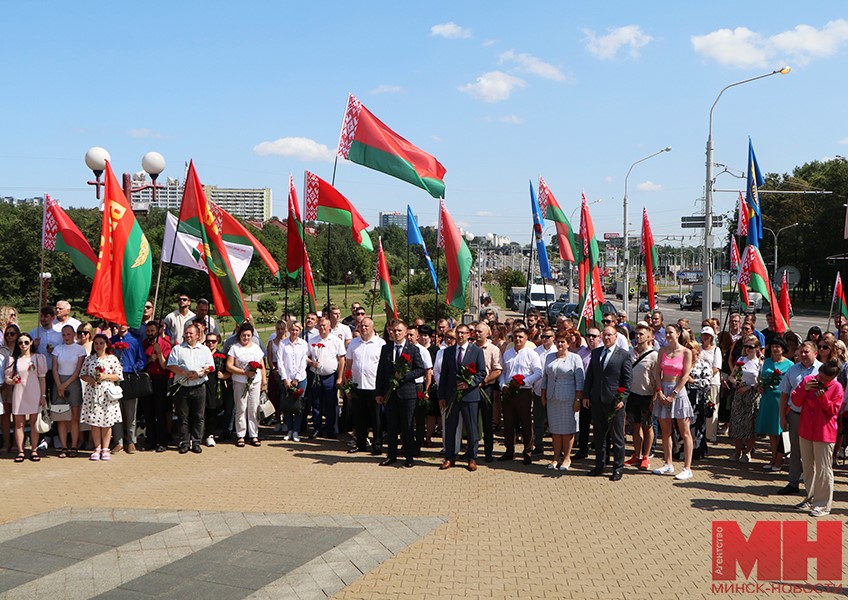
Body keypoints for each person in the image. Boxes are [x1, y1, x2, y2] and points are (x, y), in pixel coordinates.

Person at [792, 361, 844, 517]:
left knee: (823, 469)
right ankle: (810, 497)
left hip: (824, 433)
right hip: (806, 431)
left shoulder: (837, 388)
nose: (820, 380)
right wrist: (803, 389)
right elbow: (795, 401)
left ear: (832, 378)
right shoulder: (809, 380)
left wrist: (823, 399)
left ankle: (823, 505)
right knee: (808, 467)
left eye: (824, 378)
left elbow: (833, 411)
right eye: (820, 375)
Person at [583, 325, 632, 481]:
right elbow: (590, 376)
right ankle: (600, 465)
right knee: (599, 436)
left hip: (614, 402)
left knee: (617, 438)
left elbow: (627, 380)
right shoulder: (596, 352)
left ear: (616, 336)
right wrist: (586, 395)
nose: (606, 338)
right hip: (597, 400)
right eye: (604, 335)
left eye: (609, 335)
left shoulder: (623, 355)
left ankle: (618, 468)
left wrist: (622, 399)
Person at [375, 320, 426, 468]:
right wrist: (379, 392)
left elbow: (420, 369)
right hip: (390, 394)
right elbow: (381, 372)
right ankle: (391, 455)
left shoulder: (413, 349)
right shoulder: (386, 348)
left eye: (399, 331)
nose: (396, 333)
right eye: (394, 330)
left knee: (407, 426)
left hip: (407, 393)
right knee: (391, 426)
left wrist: (404, 376)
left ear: (405, 333)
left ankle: (409, 456)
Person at [438, 324, 487, 471]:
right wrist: (441, 396)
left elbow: (482, 372)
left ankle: (472, 458)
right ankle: (449, 457)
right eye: (458, 333)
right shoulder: (448, 351)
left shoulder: (476, 351)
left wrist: (469, 383)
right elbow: (444, 376)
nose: (460, 336)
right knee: (450, 427)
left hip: (470, 395)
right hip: (451, 395)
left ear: (468, 335)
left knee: (472, 428)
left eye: (463, 333)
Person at [652, 323, 695, 480]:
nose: (668, 335)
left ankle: (687, 467)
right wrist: (659, 391)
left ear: (678, 334)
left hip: (678, 393)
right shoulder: (662, 351)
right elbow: (657, 373)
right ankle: (668, 463)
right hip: (663, 391)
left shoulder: (686, 352)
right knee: (665, 431)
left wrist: (674, 393)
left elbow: (685, 375)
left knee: (685, 432)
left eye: (671, 332)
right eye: (667, 333)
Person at [167, 323, 215, 454]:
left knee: (198, 416)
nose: (188, 335)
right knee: (183, 416)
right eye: (186, 333)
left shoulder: (204, 350)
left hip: (199, 387)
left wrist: (200, 373)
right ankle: (184, 442)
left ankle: (196, 441)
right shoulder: (177, 349)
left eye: (191, 333)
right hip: (182, 387)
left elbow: (211, 366)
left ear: (198, 335)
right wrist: (184, 373)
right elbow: (171, 365)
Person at [540, 331, 584, 471]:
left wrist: (578, 399)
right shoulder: (549, 357)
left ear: (568, 344)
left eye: (563, 342)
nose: (559, 344)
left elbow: (580, 381)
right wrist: (543, 394)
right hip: (552, 399)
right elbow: (545, 378)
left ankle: (566, 458)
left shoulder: (575, 358)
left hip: (568, 398)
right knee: (555, 430)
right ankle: (555, 457)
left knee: (567, 430)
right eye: (558, 341)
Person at [499, 327, 543, 465]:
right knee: (508, 422)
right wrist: (502, 386)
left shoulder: (532, 354)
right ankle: (509, 450)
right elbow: (502, 372)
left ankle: (528, 451)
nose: (518, 339)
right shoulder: (507, 354)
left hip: (524, 391)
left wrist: (525, 381)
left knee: (525, 422)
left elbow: (538, 372)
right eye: (515, 337)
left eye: (521, 337)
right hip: (508, 392)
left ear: (526, 338)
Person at [78, 334, 124, 461]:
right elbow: (82, 374)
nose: (98, 346)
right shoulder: (89, 359)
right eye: (96, 343)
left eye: (101, 343)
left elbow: (119, 375)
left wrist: (105, 376)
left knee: (106, 422)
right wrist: (91, 380)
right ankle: (97, 447)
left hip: (106, 393)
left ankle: (105, 448)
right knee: (95, 421)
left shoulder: (112, 358)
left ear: (106, 344)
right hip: (93, 393)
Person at [5, 333, 47, 462]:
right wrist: (12, 381)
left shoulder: (38, 358)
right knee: (19, 423)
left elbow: (42, 378)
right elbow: (7, 378)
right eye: (20, 342)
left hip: (34, 392)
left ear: (31, 343)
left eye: (26, 342)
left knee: (34, 422)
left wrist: (43, 395)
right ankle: (21, 451)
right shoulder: (13, 359)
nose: (23, 345)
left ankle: (34, 450)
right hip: (19, 392)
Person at [344, 317, 385, 454]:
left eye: (366, 326)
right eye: (361, 326)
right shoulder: (353, 343)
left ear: (372, 328)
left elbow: (383, 367)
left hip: (373, 387)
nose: (364, 328)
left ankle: (377, 444)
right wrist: (347, 385)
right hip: (357, 386)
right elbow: (348, 364)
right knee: (359, 418)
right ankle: (361, 444)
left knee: (376, 419)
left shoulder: (380, 343)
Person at [227, 322, 267, 448]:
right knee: (241, 408)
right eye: (244, 335)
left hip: (255, 382)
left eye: (248, 335)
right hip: (240, 381)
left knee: (253, 408)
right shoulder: (235, 348)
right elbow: (229, 366)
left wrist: (264, 382)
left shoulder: (256, 347)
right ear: (240, 335)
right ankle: (241, 435)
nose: (246, 338)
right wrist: (244, 372)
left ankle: (254, 434)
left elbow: (262, 365)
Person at [755, 338, 793, 471]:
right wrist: (760, 386)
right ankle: (773, 457)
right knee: (771, 431)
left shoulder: (789, 364)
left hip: (780, 399)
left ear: (783, 349)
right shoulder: (766, 362)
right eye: (773, 346)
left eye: (778, 346)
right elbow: (761, 378)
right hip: (767, 398)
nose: (775, 349)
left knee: (780, 430)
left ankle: (779, 459)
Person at [625, 322, 657, 471]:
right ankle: (636, 454)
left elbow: (657, 379)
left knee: (647, 426)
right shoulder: (630, 353)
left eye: (641, 334)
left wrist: (654, 398)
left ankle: (646, 455)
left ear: (649, 337)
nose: (638, 337)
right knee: (635, 426)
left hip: (647, 395)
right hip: (632, 395)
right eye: (636, 334)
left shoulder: (654, 355)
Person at [306, 317, 346, 439]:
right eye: (320, 325)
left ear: (329, 327)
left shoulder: (336, 341)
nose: (322, 327)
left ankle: (330, 429)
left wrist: (340, 377)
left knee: (330, 403)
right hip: (315, 375)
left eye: (324, 325)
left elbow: (342, 359)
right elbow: (306, 356)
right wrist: (311, 363)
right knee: (316, 403)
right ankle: (317, 428)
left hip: (330, 376)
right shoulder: (312, 341)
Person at [109, 323, 146, 454]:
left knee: (131, 412)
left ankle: (131, 441)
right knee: (116, 411)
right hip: (114, 379)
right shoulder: (112, 341)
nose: (121, 326)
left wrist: (132, 369)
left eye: (124, 324)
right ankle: (118, 441)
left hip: (129, 378)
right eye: (118, 324)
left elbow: (141, 360)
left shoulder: (135, 341)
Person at [51, 324, 86, 458]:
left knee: (74, 417)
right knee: (61, 417)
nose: (66, 337)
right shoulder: (58, 349)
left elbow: (78, 370)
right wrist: (59, 384)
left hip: (73, 383)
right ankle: (63, 446)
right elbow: (54, 367)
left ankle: (74, 445)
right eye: (64, 335)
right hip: (58, 382)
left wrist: (65, 384)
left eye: (68, 334)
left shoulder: (80, 349)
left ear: (74, 334)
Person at [728, 334, 763, 463]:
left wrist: (749, 387)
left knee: (750, 426)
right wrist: (736, 383)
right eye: (746, 346)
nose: (748, 349)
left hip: (752, 396)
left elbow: (760, 382)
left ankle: (748, 451)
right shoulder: (741, 359)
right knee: (737, 423)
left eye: (751, 346)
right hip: (739, 394)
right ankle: (737, 450)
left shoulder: (760, 363)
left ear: (757, 348)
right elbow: (732, 376)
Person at [141, 320, 173, 452]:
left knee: (160, 412)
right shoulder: (143, 344)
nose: (149, 334)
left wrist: (159, 353)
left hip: (161, 380)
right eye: (148, 331)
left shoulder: (165, 344)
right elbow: (142, 362)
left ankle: (162, 441)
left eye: (152, 331)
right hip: (147, 380)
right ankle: (150, 440)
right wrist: (150, 359)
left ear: (158, 331)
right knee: (148, 411)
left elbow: (165, 366)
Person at [474, 322, 502, 463]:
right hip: (471, 388)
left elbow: (497, 370)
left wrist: (483, 381)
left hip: (486, 388)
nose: (477, 333)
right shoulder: (470, 348)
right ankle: (471, 452)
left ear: (487, 333)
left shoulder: (493, 349)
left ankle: (488, 453)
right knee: (472, 422)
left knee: (486, 422)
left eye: (480, 331)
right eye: (476, 331)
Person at [574, 327, 598, 460]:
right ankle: (583, 449)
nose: (591, 338)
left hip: (598, 394)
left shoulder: (602, 353)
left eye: (594, 336)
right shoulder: (581, 353)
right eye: (589, 335)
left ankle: (600, 451)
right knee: (584, 423)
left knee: (599, 424)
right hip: (584, 393)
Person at [532, 327, 558, 456]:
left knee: (554, 421)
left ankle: (557, 448)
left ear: (553, 337)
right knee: (538, 420)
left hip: (554, 392)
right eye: (543, 336)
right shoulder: (535, 351)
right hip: (538, 391)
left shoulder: (558, 351)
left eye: (548, 337)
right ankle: (538, 445)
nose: (545, 339)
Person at [685, 341, 711, 460]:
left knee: (697, 426)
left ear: (697, 350)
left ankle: (697, 451)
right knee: (683, 425)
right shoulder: (684, 363)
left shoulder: (703, 364)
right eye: (687, 348)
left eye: (691, 348)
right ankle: (681, 451)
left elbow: (707, 383)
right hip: (683, 396)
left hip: (697, 398)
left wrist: (694, 381)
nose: (689, 350)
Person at [203, 332, 229, 446]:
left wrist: (224, 376)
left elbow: (229, 370)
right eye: (208, 341)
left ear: (217, 342)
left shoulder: (222, 356)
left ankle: (210, 434)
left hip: (215, 386)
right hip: (202, 384)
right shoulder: (201, 353)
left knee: (212, 410)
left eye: (213, 341)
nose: (210, 343)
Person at [699, 326, 722, 443]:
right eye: (704, 335)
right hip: (699, 384)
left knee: (712, 408)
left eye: (708, 335)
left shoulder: (716, 350)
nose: (705, 337)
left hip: (712, 383)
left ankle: (711, 434)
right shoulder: (698, 348)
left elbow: (716, 367)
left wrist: (705, 377)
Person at [0, 324, 21, 453]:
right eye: (7, 334)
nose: (9, 336)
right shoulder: (2, 350)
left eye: (12, 334)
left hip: (19, 385)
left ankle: (16, 443)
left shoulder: (22, 347)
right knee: (6, 416)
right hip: (5, 385)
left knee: (18, 415)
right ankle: (6, 442)